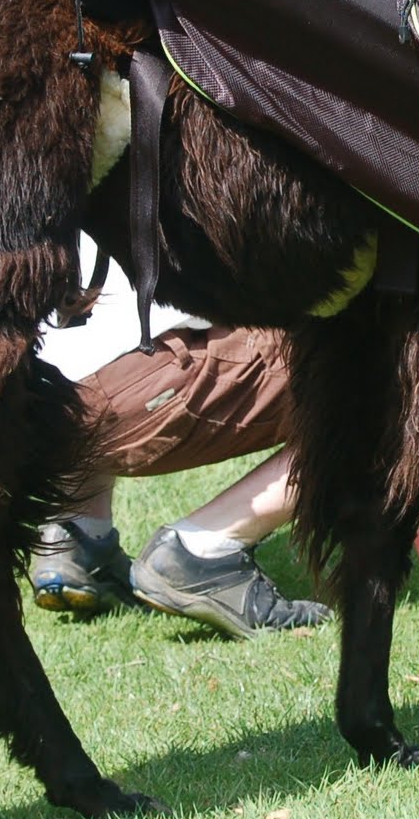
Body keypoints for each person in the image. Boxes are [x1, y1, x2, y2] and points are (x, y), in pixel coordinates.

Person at [29, 242, 328, 640]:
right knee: (392, 375)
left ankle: (76, 536)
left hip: (41, 396)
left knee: (96, 334)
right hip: (139, 388)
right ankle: (203, 551)